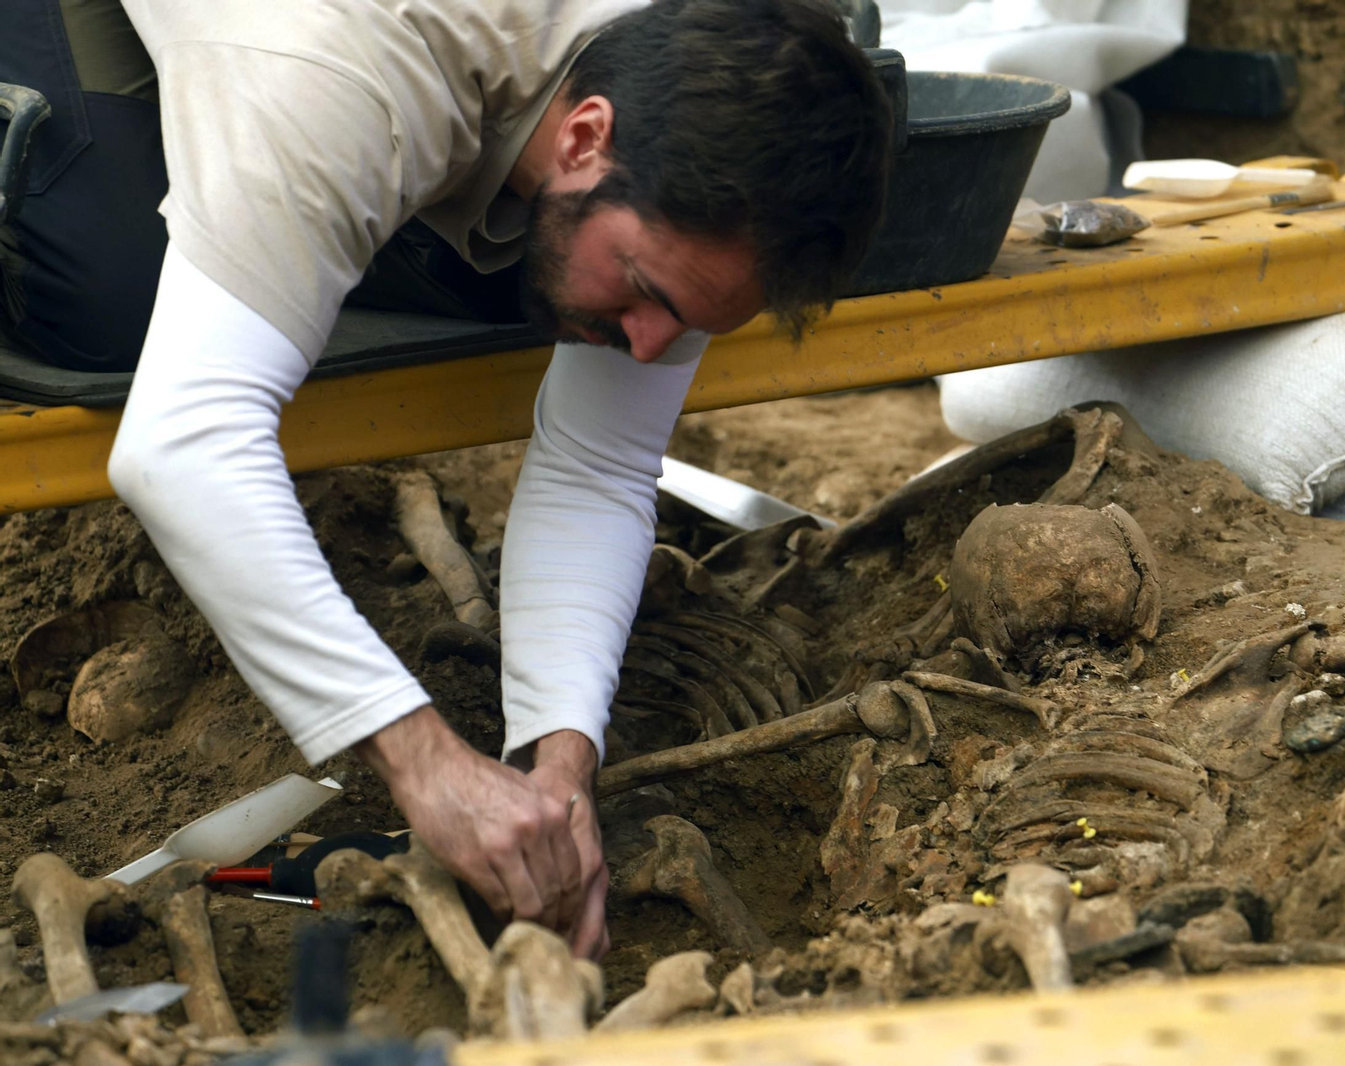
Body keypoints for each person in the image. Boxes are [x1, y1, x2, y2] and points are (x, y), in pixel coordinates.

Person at [0, 0, 893, 958]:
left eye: (689, 319)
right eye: (649, 293)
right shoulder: (333, 83)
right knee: (110, 309)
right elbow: (179, 446)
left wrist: (558, 759)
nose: (651, 345)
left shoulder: (695, 113)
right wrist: (425, 764)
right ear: (587, 134)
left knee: (527, 275)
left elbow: (599, 461)